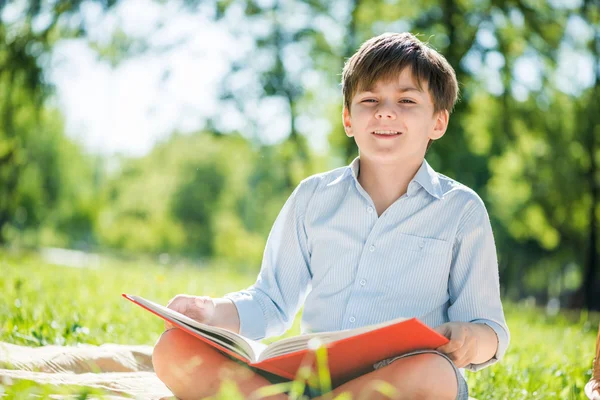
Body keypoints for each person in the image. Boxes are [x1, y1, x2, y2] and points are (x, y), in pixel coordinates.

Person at [152, 32, 510, 400]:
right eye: (370, 99)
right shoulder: (312, 198)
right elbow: (270, 302)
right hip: (310, 380)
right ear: (348, 119)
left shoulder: (461, 210)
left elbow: (489, 328)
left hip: (399, 383)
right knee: (173, 349)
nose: (385, 111)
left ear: (438, 121)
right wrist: (209, 312)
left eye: (406, 100)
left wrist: (471, 339)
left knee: (434, 373)